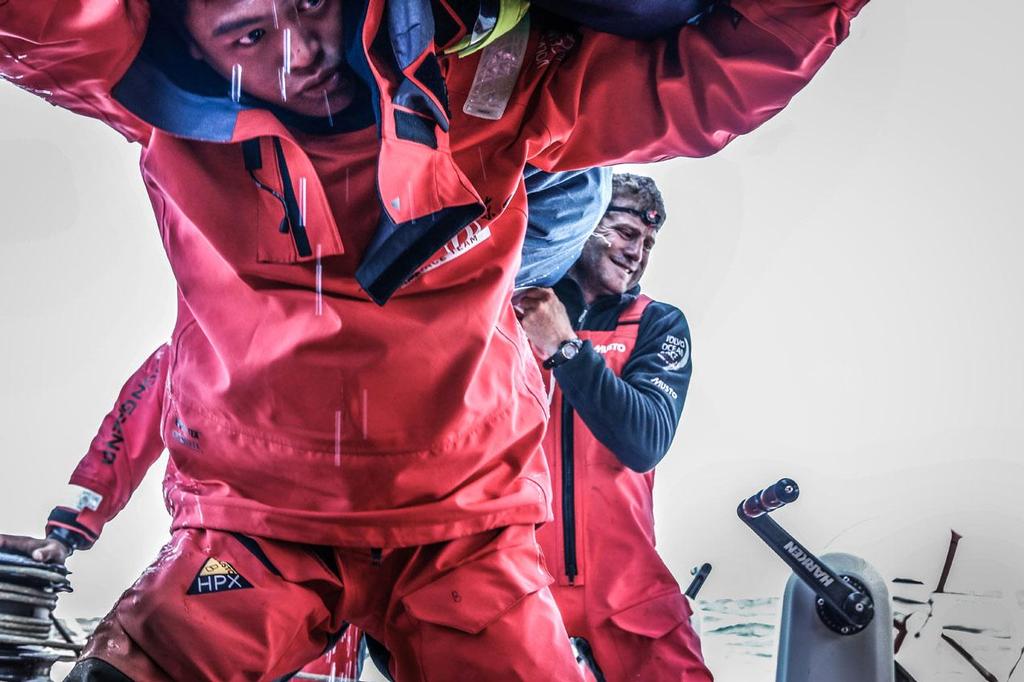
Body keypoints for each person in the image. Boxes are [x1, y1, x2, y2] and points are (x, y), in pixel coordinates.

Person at [0, 0, 871, 678]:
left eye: (311, 5)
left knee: (565, 190)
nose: (298, 50)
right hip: (256, 529)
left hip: (468, 531)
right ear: (188, 47)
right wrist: (80, 512)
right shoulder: (150, 101)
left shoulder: (487, 82)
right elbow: (43, 25)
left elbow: (707, 80)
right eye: (248, 33)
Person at [515, 173, 705, 681]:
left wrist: (565, 347)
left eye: (648, 243)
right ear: (582, 223)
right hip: (517, 591)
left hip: (631, 596)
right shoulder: (509, 313)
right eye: (624, 233)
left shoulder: (658, 324)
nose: (637, 252)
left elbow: (644, 441)